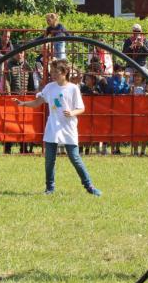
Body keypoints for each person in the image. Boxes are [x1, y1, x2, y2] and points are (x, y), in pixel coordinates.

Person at [14, 58, 101, 196]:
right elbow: (38, 102)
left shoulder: (73, 89)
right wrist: (23, 104)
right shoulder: (50, 87)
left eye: (56, 72)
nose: (53, 75)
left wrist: (72, 112)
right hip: (52, 128)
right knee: (49, 160)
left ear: (65, 72)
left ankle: (89, 186)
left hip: (68, 129)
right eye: (51, 72)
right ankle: (50, 188)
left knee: (75, 158)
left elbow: (81, 108)